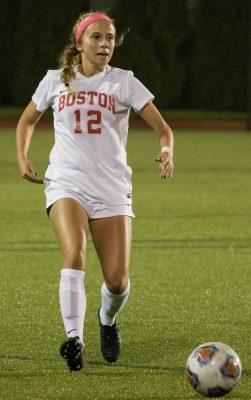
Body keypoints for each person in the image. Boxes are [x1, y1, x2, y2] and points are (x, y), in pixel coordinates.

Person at [16, 11, 174, 372]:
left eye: (110, 38)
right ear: (79, 43)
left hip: (112, 188)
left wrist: (167, 150)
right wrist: (22, 156)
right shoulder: (55, 80)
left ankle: (107, 319)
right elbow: (26, 120)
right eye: (97, 37)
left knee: (117, 282)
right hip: (66, 182)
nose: (105, 44)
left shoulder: (124, 82)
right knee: (74, 254)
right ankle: (74, 340)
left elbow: (164, 129)